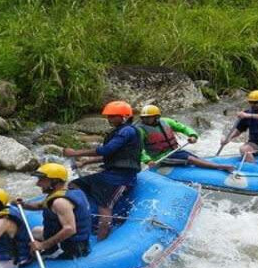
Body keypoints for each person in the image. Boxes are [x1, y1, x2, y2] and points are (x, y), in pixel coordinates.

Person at [63, 101, 142, 240]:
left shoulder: (127, 131)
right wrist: (87, 161)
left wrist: (76, 153)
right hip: (110, 174)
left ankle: (102, 239)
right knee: (75, 185)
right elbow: (112, 156)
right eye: (108, 116)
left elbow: (106, 150)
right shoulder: (120, 131)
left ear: (124, 116)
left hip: (121, 177)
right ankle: (88, 218)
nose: (109, 119)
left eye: (112, 116)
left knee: (105, 207)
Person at [20, 163, 93, 259]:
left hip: (70, 247)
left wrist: (43, 245)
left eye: (42, 180)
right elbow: (40, 205)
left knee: (33, 248)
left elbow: (70, 229)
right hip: (75, 240)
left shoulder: (60, 202)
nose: (38, 184)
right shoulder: (70, 191)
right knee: (35, 231)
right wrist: (23, 205)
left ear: (55, 181)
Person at [136, 105, 234, 172]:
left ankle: (212, 166)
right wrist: (147, 160)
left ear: (157, 117)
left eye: (149, 117)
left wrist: (192, 135)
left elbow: (183, 128)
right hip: (160, 157)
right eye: (144, 118)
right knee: (190, 158)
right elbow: (137, 148)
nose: (146, 120)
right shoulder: (140, 130)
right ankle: (219, 167)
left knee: (193, 157)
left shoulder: (166, 121)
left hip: (174, 151)